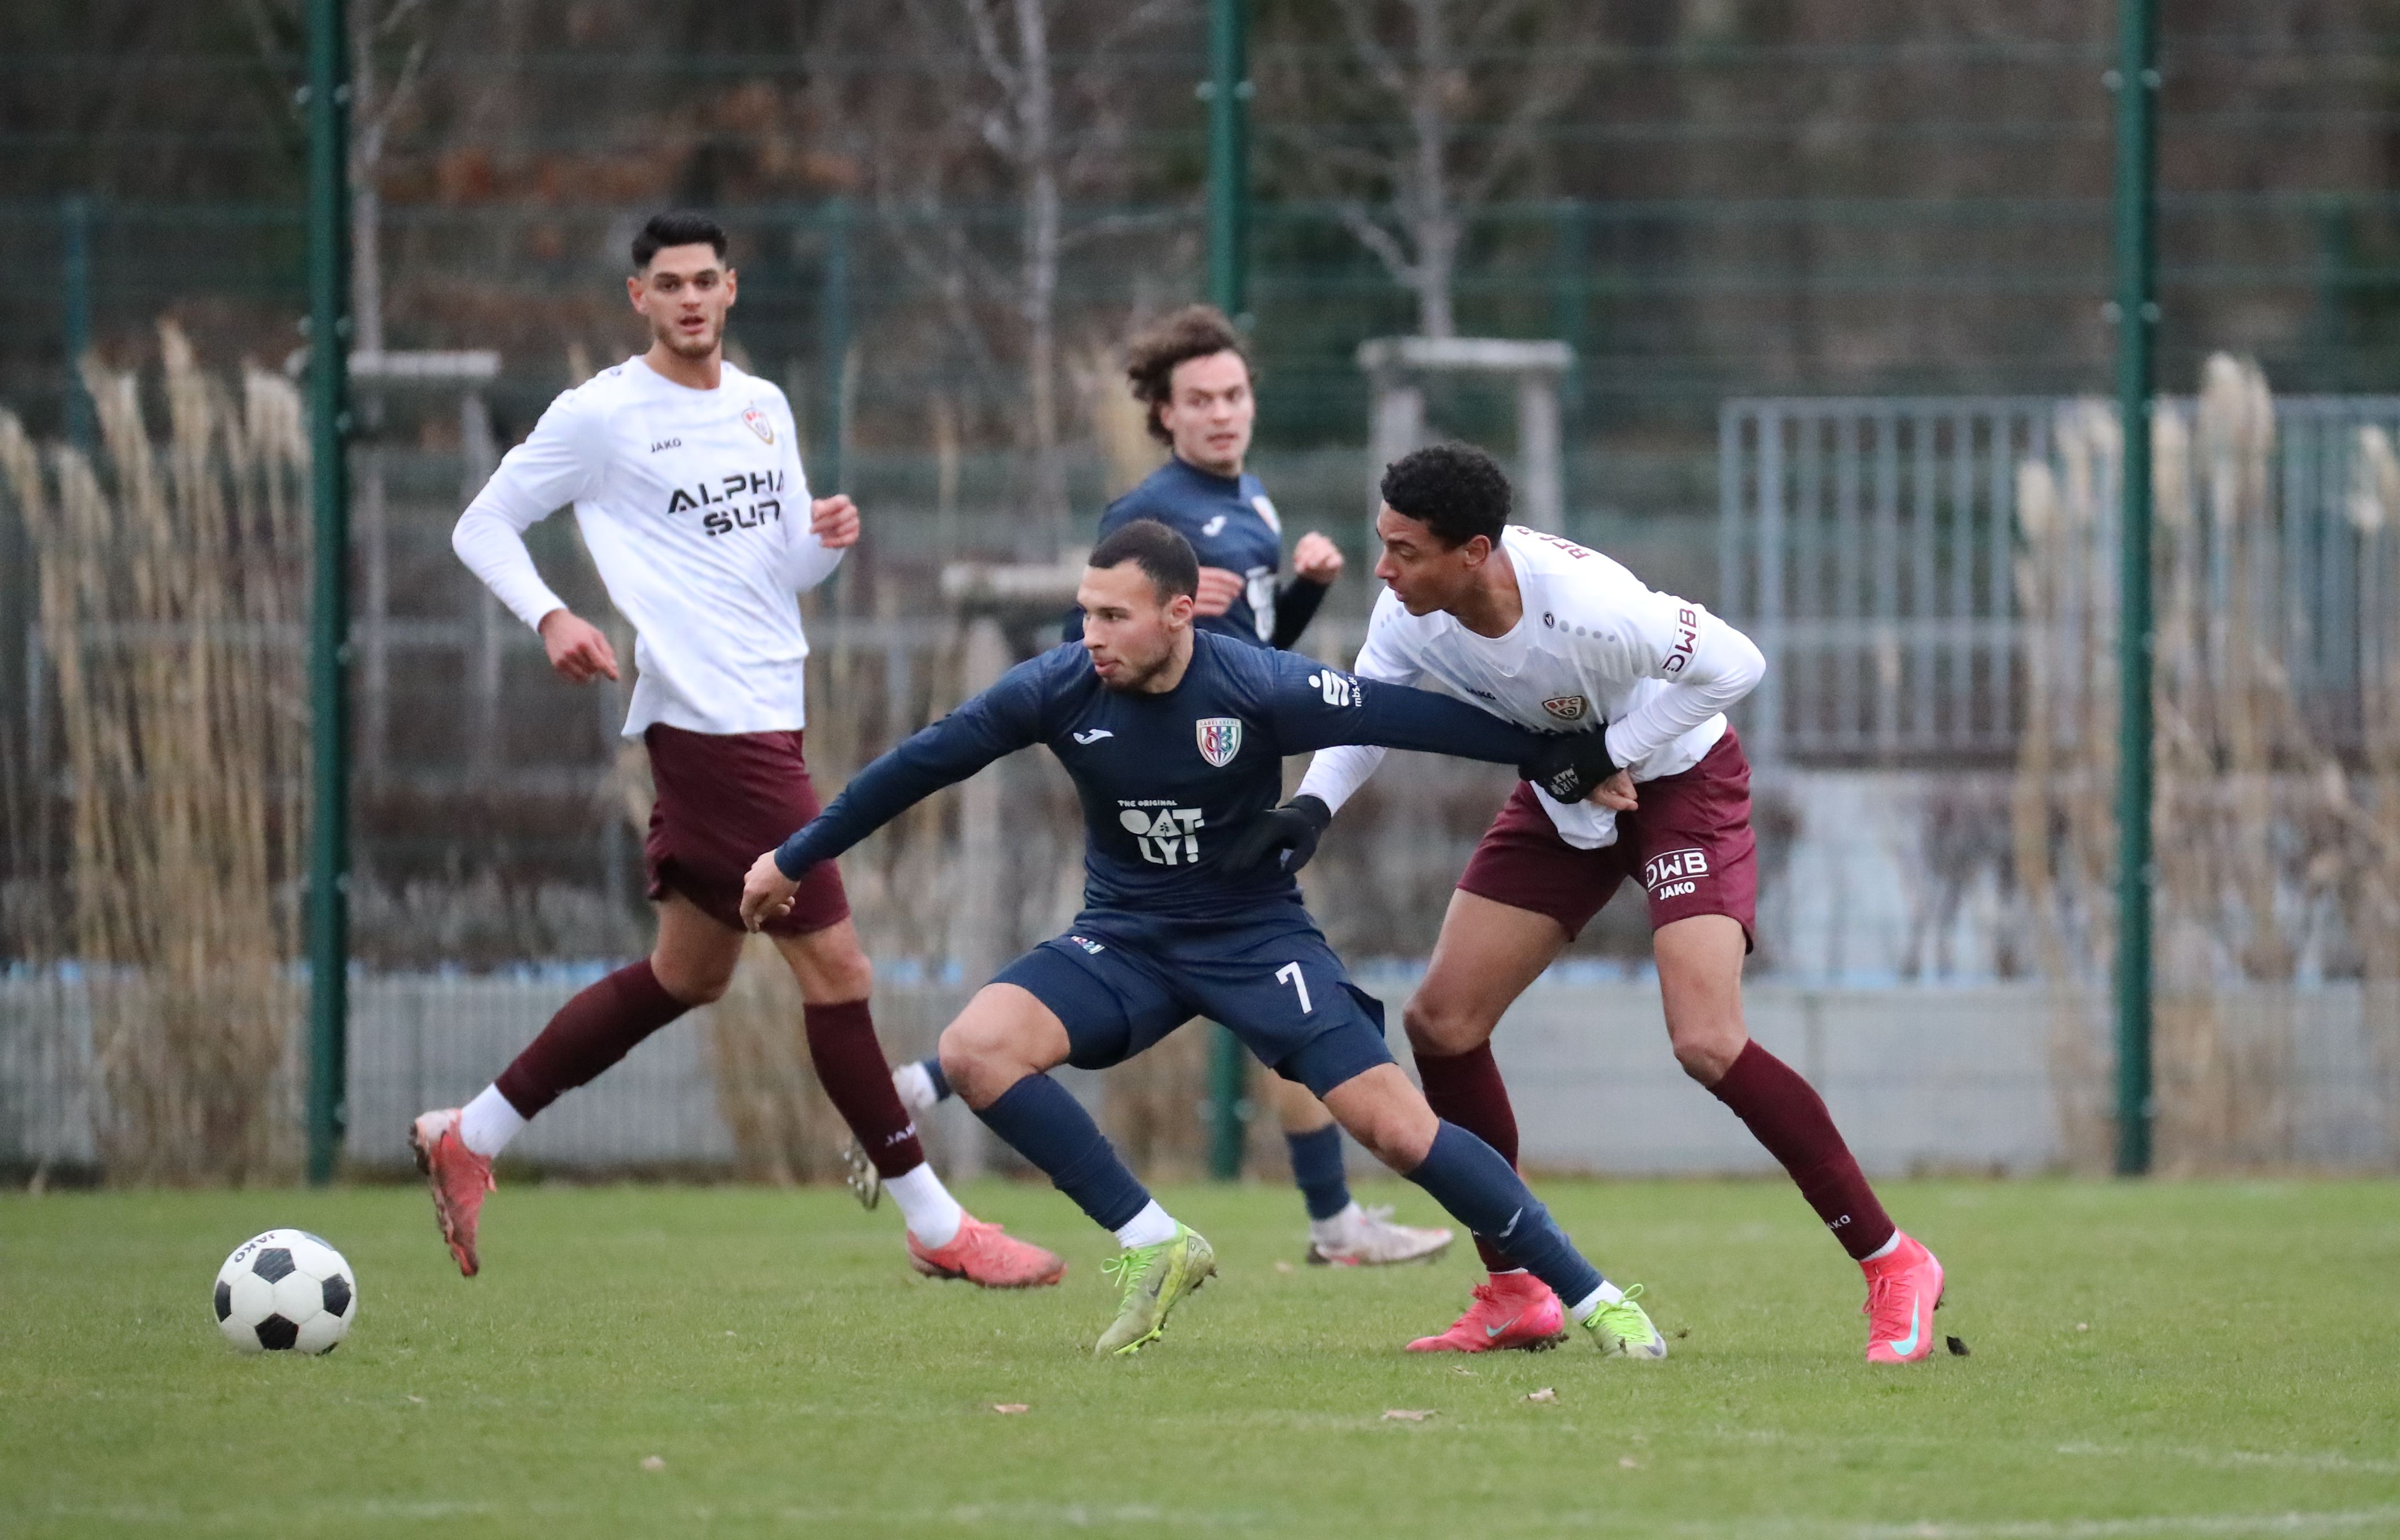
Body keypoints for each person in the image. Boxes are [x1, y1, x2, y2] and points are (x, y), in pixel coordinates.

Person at [741, 517, 1666, 1360]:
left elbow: (1404, 715)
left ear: (1179, 615)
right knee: (976, 1050)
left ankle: (1593, 1297)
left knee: (1397, 1127)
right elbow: (918, 764)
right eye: (1085, 612)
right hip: (1125, 939)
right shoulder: (1058, 687)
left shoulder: (1257, 683)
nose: (1090, 634)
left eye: (1113, 615)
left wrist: (1553, 757)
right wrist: (793, 855)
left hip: (1255, 939)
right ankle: (1156, 1243)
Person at [408, 209, 1061, 1291]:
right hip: (712, 726)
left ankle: (470, 1133)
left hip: (766, 709)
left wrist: (821, 541)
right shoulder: (604, 415)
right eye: (668, 284)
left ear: (732, 287)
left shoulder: (763, 406)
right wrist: (550, 617)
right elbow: (481, 524)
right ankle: (934, 1220)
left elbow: (777, 570)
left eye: (706, 280)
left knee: (687, 974)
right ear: (639, 298)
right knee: (840, 970)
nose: (690, 300)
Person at [1282, 444, 1946, 1364]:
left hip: (1679, 784)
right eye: (1381, 544)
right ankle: (1516, 1290)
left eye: (1404, 550)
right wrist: (1309, 810)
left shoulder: (1588, 611)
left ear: (1475, 551)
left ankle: (1893, 1260)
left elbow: (1738, 664)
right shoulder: (1410, 616)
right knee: (1442, 1023)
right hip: (1564, 795)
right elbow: (1364, 715)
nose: (1384, 571)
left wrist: (1613, 747)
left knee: (1706, 1041)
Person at [892, 304, 1450, 1269]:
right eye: (1198, 400)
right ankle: (936, 1082)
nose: (1222, 413)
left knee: (1289, 1016)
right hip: (1175, 811)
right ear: (1163, 414)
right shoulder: (1149, 517)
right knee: (1270, 1001)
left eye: (1234, 394)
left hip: (1241, 797)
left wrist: (1305, 591)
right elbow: (1091, 657)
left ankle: (1331, 1219)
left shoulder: (1255, 504)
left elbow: (1248, 664)